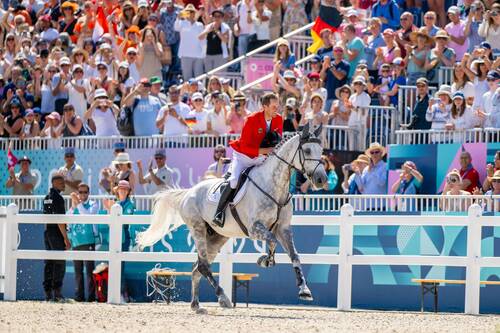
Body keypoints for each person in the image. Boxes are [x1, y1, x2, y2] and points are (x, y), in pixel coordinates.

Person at [213, 93, 283, 227]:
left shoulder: (278, 119)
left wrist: (270, 151)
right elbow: (245, 146)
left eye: (277, 106)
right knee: (234, 182)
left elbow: (277, 140)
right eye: (274, 107)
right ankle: (219, 212)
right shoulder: (251, 119)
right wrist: (264, 151)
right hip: (243, 156)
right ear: (265, 107)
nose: (277, 109)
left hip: (261, 158)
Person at [103, 180, 134, 302]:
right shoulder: (116, 204)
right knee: (114, 267)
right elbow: (110, 223)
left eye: (125, 189)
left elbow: (124, 222)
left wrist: (110, 208)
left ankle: (122, 295)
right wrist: (109, 209)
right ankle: (119, 294)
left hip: (123, 238)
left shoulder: (129, 205)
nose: (123, 191)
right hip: (114, 237)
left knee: (119, 267)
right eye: (121, 188)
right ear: (117, 190)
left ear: (128, 192)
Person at [67, 183, 98, 302]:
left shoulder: (93, 204)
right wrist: (74, 205)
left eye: (85, 192)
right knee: (78, 272)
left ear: (88, 193)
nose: (83, 194)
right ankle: (79, 297)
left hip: (88, 240)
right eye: (80, 192)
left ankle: (91, 297)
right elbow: (68, 220)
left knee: (90, 271)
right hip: (76, 242)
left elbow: (87, 216)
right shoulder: (75, 206)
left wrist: (78, 204)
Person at [43, 173, 71, 302]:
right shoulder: (59, 198)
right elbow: (60, 220)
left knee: (49, 263)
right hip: (56, 234)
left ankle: (48, 293)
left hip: (47, 233)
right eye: (61, 183)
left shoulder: (46, 197)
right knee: (59, 263)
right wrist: (65, 238)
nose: (64, 185)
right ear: (54, 183)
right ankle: (57, 293)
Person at [354, 142, 388, 210]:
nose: (374, 154)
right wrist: (357, 174)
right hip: (366, 205)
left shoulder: (385, 166)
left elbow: (381, 182)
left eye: (376, 152)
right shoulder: (367, 169)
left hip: (380, 206)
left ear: (381, 153)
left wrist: (372, 171)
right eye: (372, 152)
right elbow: (361, 187)